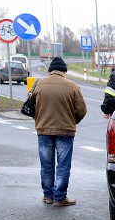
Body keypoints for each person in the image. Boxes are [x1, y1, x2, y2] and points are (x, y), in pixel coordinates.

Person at [31, 57, 87, 206]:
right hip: (65, 130)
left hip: (43, 129)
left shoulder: (39, 84)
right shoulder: (73, 86)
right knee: (63, 165)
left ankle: (48, 196)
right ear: (64, 71)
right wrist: (72, 120)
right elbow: (81, 110)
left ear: (50, 71)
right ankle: (60, 197)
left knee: (46, 164)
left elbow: (31, 106)